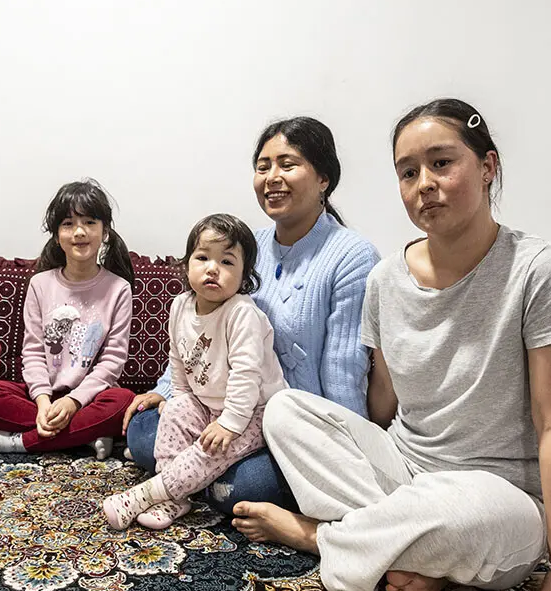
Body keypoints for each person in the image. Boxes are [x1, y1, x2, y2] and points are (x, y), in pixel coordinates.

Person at [236, 98, 551, 591]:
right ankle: (419, 554)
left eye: (442, 163)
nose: (424, 183)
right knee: (285, 410)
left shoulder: (541, 273)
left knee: (465, 520)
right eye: (408, 172)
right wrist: (336, 444)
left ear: (488, 167)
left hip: (496, 494)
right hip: (405, 469)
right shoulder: (386, 279)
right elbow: (383, 403)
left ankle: (317, 537)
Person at [125, 117, 379, 510]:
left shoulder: (351, 256)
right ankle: (198, 480)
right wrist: (164, 393)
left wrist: (346, 452)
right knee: (142, 428)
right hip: (217, 407)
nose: (272, 177)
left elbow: (343, 369)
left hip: (284, 427)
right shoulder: (246, 246)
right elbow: (198, 327)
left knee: (249, 486)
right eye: (263, 167)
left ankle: (187, 480)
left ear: (324, 178)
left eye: (287, 164)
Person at [103, 214, 286, 530]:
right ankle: (176, 498)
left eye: (227, 262)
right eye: (203, 258)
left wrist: (229, 423)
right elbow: (178, 359)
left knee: (210, 450)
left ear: (244, 276)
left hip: (254, 411)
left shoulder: (241, 313)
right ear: (187, 265)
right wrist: (180, 400)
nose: (213, 268)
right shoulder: (180, 306)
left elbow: (247, 375)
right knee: (171, 412)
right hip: (205, 402)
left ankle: (147, 494)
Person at [0, 179, 135, 456]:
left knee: (124, 402)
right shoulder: (40, 284)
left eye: (90, 222)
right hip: (42, 396)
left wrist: (74, 403)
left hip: (91, 398)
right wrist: (43, 403)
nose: (79, 231)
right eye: (68, 224)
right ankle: (84, 435)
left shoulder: (118, 289)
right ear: (56, 235)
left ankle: (13, 442)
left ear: (105, 232)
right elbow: (31, 352)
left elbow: (113, 361)